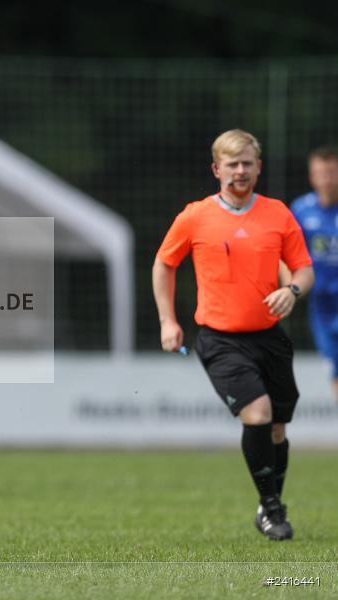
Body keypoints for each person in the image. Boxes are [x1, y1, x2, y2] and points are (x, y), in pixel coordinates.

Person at [152, 129, 314, 541]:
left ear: (259, 167)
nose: (239, 171)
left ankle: (268, 503)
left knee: (277, 428)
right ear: (216, 169)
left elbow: (303, 269)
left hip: (270, 338)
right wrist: (168, 320)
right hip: (220, 339)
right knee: (256, 414)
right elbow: (164, 263)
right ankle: (273, 510)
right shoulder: (196, 215)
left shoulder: (278, 214)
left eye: (247, 163)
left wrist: (291, 291)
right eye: (232, 164)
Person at [290, 146, 338, 401]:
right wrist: (289, 288)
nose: (326, 180)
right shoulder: (300, 210)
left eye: (331, 173)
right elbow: (287, 255)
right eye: (321, 173)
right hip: (322, 304)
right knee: (335, 368)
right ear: (312, 176)